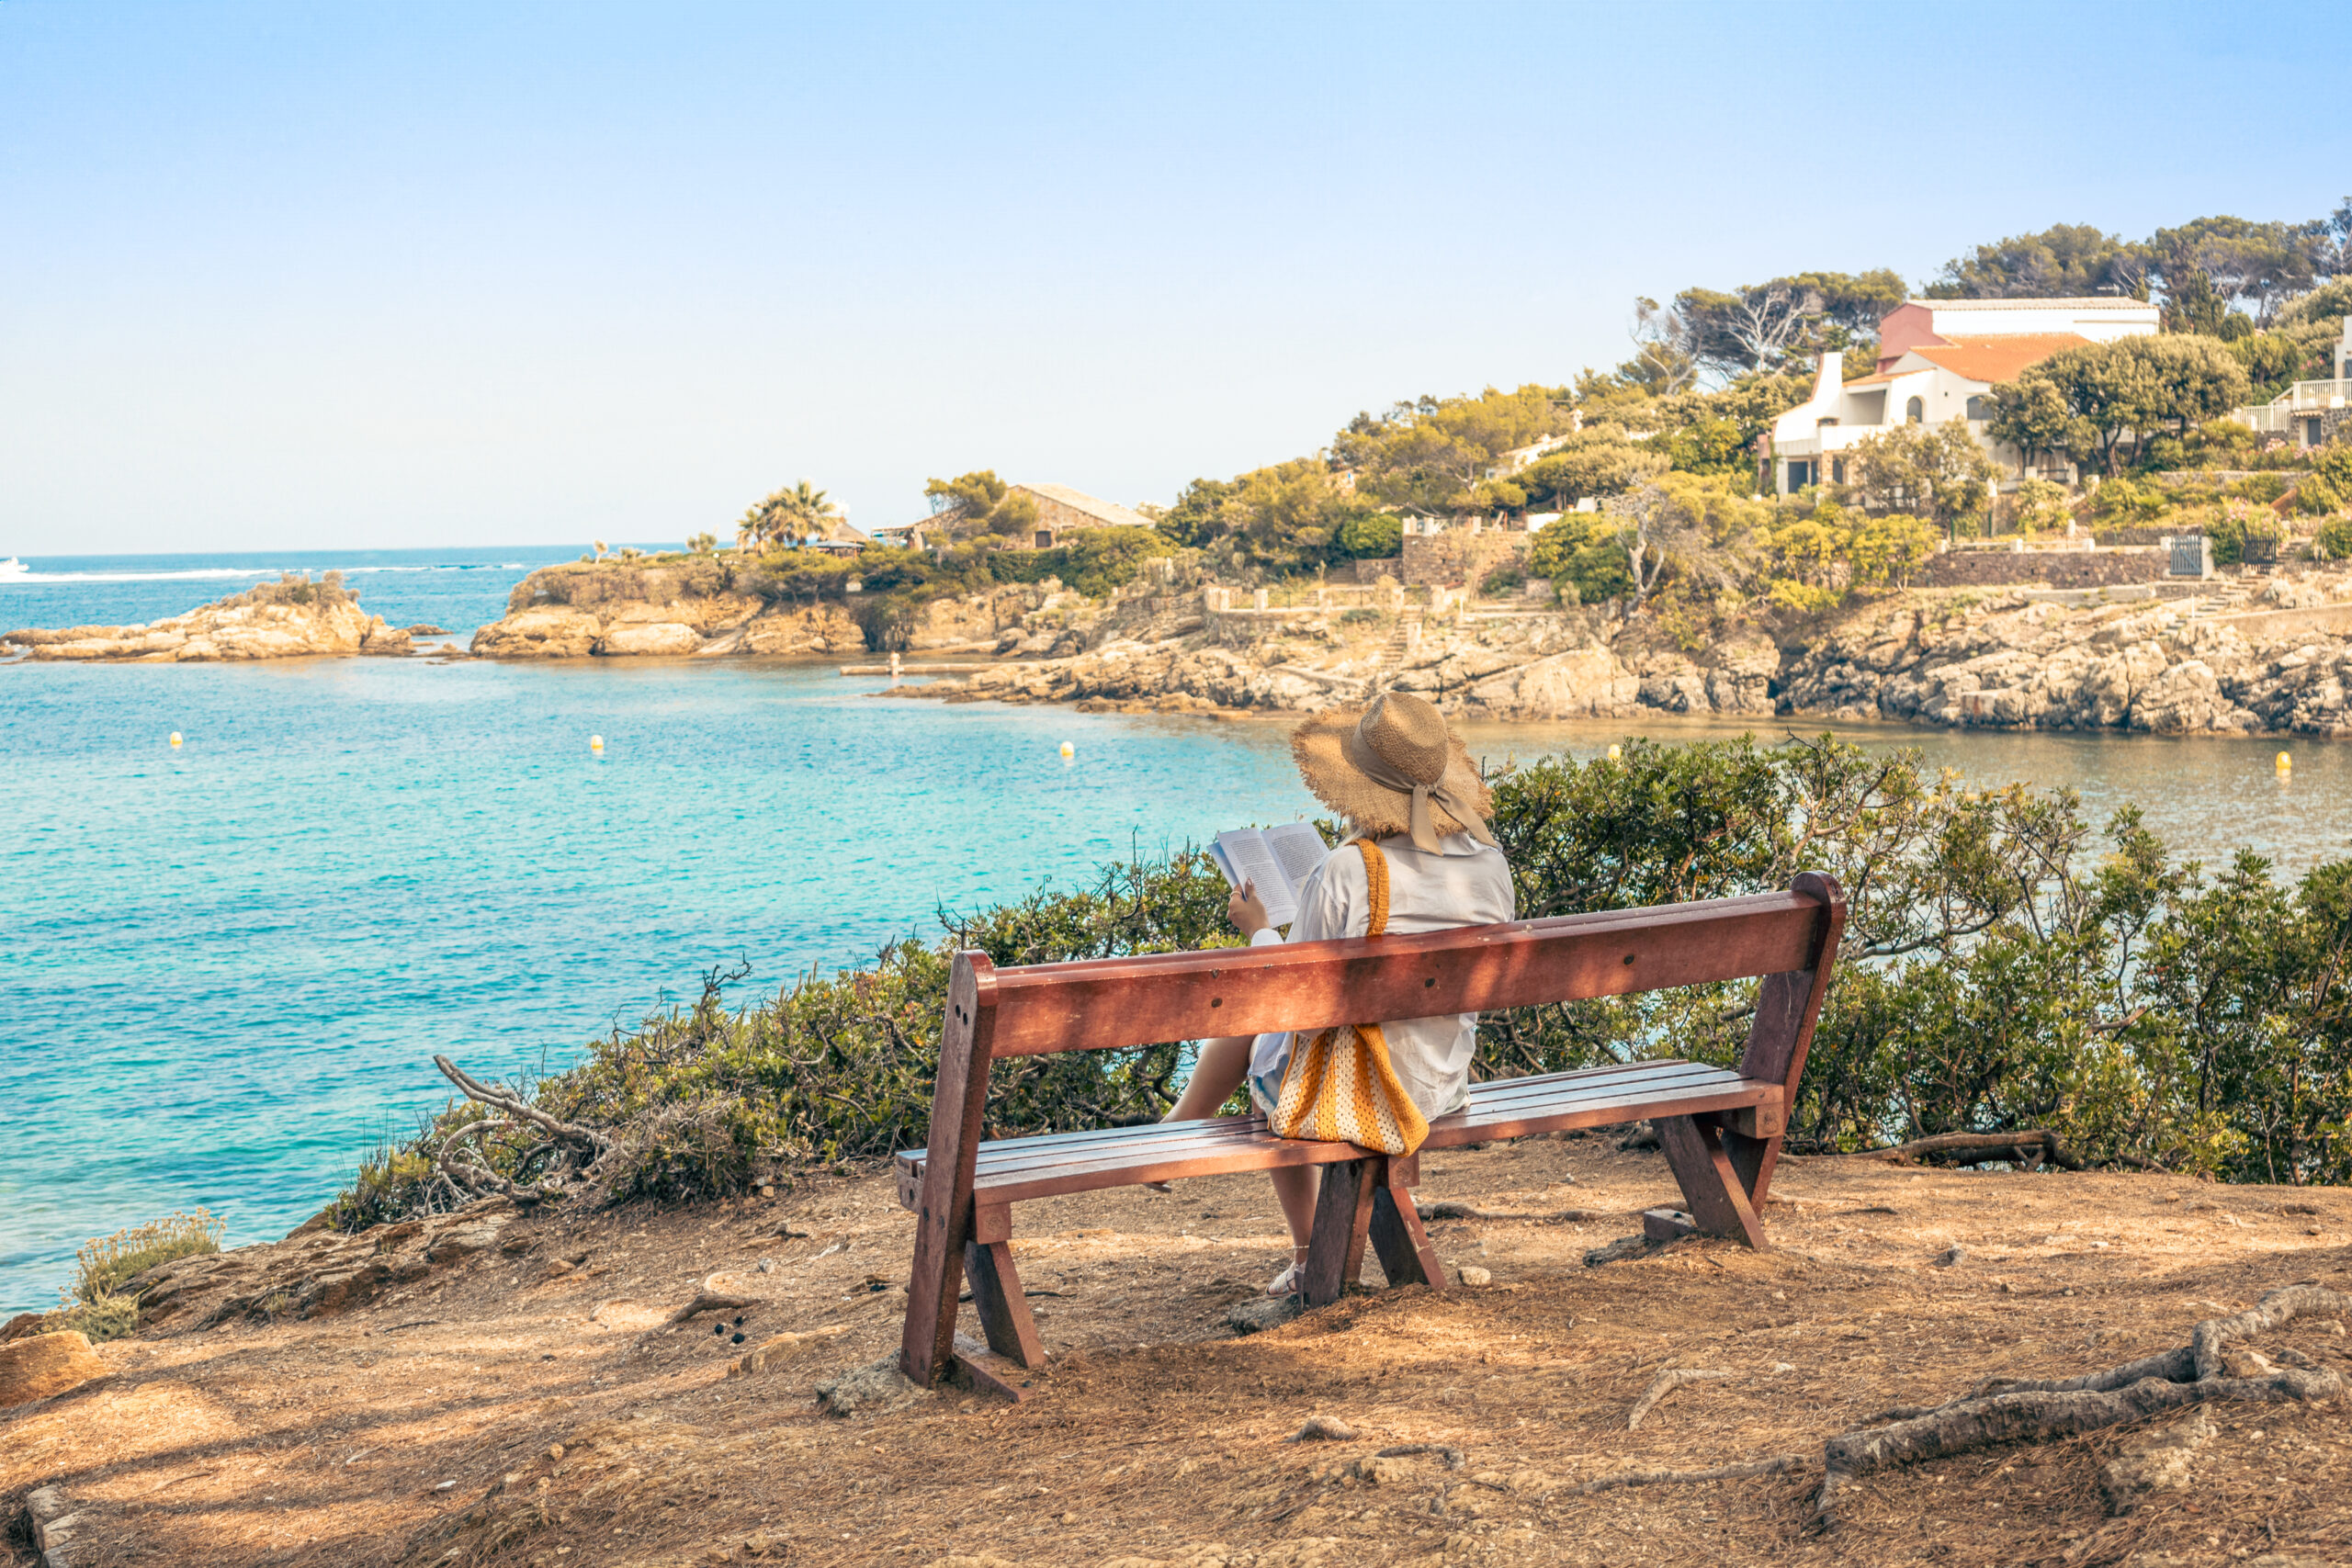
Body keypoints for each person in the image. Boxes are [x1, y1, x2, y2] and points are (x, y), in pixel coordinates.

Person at [1162, 692, 1514, 1295]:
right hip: (1441, 1082)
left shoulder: (1348, 870)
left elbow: (1292, 991)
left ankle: (1306, 1253)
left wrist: (1258, 927)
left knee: (1261, 1044)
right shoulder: (1489, 863)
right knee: (1265, 1034)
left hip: (1368, 1090)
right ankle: (1173, 1130)